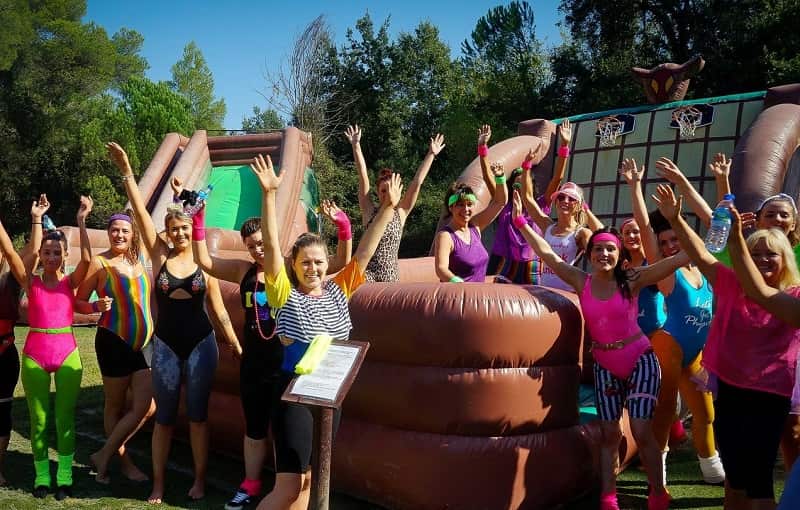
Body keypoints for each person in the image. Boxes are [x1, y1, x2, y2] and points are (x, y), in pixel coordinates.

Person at [512, 189, 683, 510]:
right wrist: (522, 223)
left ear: (619, 255)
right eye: (598, 250)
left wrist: (714, 236)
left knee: (641, 428)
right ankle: (608, 495)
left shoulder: (631, 280)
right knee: (608, 433)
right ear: (589, 254)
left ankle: (657, 492)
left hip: (640, 360)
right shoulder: (581, 281)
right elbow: (547, 254)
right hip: (605, 363)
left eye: (610, 250)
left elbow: (674, 261)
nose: (604, 254)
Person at [250, 153, 399, 509]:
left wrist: (389, 209)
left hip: (330, 397)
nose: (313, 268)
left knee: (313, 481)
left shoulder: (338, 289)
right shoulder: (283, 293)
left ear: (327, 261)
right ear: (294, 265)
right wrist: (269, 195)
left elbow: (365, 253)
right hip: (294, 396)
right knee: (289, 485)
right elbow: (271, 247)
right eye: (305, 262)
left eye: (319, 261)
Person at [103, 142, 240, 504]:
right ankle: (159, 484)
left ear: (189, 227)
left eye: (184, 228)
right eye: (173, 228)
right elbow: (140, 214)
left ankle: (198, 480)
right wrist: (128, 171)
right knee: (163, 419)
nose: (179, 233)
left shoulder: (203, 261)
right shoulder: (158, 253)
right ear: (166, 230)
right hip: (164, 345)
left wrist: (235, 344)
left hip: (201, 345)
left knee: (197, 417)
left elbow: (220, 310)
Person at [192, 199, 350, 510]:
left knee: (294, 455)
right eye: (251, 246)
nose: (258, 250)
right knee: (255, 426)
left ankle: (284, 489)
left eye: (262, 243)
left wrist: (344, 227)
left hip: (289, 365)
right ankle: (250, 484)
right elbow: (205, 262)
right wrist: (199, 220)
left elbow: (342, 261)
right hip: (256, 362)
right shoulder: (244, 271)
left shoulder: (292, 275)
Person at [654, 184, 800, 510]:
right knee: (734, 476)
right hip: (731, 389)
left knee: (758, 479)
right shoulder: (732, 283)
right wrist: (675, 219)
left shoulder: (793, 296)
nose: (763, 259)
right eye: (756, 254)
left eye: (771, 255)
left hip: (768, 395)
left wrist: (735, 239)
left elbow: (761, 292)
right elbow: (701, 254)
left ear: (786, 259)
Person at [622, 158, 724, 486]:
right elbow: (646, 230)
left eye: (673, 241)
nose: (668, 247)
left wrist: (688, 181)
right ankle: (658, 474)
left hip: (694, 355)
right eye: (664, 243)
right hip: (669, 347)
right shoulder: (668, 273)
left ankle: (710, 464)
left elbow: (720, 225)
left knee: (705, 413)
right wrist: (634, 187)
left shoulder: (706, 269)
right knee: (664, 411)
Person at [0, 195, 93, 500]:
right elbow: (12, 254)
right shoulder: (30, 282)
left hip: (66, 352)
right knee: (39, 421)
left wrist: (81, 220)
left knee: (64, 419)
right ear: (40, 254)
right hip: (34, 356)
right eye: (47, 252)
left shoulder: (69, 282)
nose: (52, 257)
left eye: (57, 253)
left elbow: (89, 261)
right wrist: (36, 219)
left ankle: (64, 475)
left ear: (65, 256)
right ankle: (42, 476)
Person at [345, 124, 445, 281]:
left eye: (391, 189)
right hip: (367, 277)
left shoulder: (401, 212)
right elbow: (363, 176)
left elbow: (417, 182)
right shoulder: (370, 211)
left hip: (390, 278)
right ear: (378, 193)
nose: (388, 194)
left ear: (398, 190)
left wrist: (431, 154)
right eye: (384, 190)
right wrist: (356, 145)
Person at [486, 119, 572, 284]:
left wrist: (564, 145)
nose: (519, 188)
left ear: (532, 186)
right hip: (507, 261)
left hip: (532, 264)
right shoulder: (506, 206)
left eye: (523, 183)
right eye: (516, 185)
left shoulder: (541, 205)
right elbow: (490, 182)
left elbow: (557, 178)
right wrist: (483, 153)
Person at [0, 195, 47, 487]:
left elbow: (34, 251)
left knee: (1, 414)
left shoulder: (12, 279)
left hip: (4, 355)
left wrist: (37, 218)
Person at [434, 127, 508, 283]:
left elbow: (500, 201)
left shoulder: (475, 227)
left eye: (469, 204)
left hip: (477, 301)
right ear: (451, 207)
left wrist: (500, 178)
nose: (466, 209)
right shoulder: (446, 236)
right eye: (460, 204)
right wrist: (461, 286)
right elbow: (441, 270)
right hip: (457, 301)